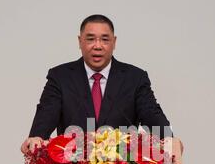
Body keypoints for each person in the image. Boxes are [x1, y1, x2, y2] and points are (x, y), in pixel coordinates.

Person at [21, 14, 172, 154]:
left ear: (114, 42)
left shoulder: (135, 78)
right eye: (90, 39)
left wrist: (170, 140)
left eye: (105, 39)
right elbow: (46, 115)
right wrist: (36, 138)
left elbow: (152, 114)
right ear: (80, 41)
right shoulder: (60, 77)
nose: (98, 46)